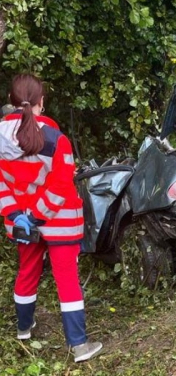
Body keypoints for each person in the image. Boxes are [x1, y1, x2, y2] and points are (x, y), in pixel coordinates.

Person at [0, 74, 102, 362]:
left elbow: (1, 185)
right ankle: (79, 346)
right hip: (59, 221)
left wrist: (19, 216)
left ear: (11, 101)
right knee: (66, 279)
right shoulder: (57, 139)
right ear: (41, 102)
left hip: (21, 225)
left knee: (27, 272)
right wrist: (37, 217)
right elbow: (60, 186)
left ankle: (24, 329)